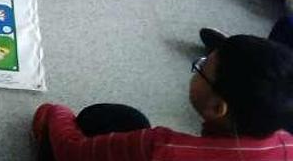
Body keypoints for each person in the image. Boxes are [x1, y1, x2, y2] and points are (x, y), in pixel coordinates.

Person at [33, 34, 293, 161]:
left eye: (201, 67)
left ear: (217, 107)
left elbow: (70, 150)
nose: (198, 68)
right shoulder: (286, 144)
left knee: (97, 119)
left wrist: (55, 113)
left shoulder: (162, 148)